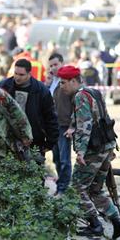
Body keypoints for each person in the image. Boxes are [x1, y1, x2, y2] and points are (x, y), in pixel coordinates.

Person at [58, 65, 120, 240]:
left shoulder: (80, 97)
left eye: (63, 83)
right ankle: (118, 223)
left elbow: (85, 125)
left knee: (77, 187)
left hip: (93, 150)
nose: (61, 86)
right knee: (95, 189)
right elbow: (95, 118)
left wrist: (80, 151)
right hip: (106, 146)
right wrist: (72, 128)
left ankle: (95, 225)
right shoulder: (93, 92)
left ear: (74, 81)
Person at [0, 59, 59, 163]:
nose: (17, 77)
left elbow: (50, 117)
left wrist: (50, 142)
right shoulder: (4, 86)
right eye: (15, 73)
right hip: (9, 139)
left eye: (21, 75)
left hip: (34, 139)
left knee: (34, 173)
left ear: (29, 74)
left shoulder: (41, 90)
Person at [48, 53, 73, 195]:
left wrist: (72, 125)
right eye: (51, 65)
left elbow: (76, 104)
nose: (53, 68)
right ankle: (61, 186)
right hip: (54, 125)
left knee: (64, 159)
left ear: (62, 63)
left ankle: (63, 189)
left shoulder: (67, 80)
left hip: (65, 125)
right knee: (56, 158)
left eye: (55, 64)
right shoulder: (53, 81)